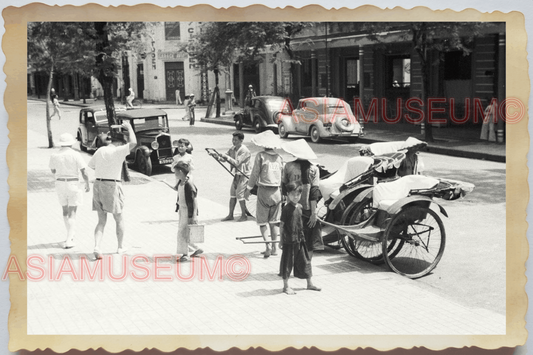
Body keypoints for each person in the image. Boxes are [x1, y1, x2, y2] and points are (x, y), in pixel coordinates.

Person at [88, 122, 137, 260]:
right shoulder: (118, 151)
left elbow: (91, 165)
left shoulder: (100, 150)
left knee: (101, 220)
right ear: (121, 142)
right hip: (113, 185)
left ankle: (97, 246)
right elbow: (134, 142)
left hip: (98, 184)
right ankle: (120, 247)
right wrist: (129, 128)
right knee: (118, 218)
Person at [244, 130, 284, 258]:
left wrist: (248, 189)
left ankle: (267, 245)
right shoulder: (279, 158)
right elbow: (282, 177)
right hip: (277, 192)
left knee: (262, 221)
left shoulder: (260, 156)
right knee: (274, 221)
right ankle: (274, 248)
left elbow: (255, 174)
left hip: (264, 192)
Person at [281, 139, 324, 253]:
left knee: (292, 238)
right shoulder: (314, 169)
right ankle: (306, 262)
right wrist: (314, 213)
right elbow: (314, 193)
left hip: (292, 207)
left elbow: (285, 188)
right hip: (308, 209)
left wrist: (286, 206)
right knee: (308, 242)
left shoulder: (288, 166)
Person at [49, 133, 90, 249]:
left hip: (60, 183)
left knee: (65, 211)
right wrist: (87, 183)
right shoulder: (75, 154)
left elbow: (53, 170)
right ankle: (69, 239)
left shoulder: (54, 155)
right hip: (73, 183)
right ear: (71, 143)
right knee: (73, 212)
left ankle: (70, 235)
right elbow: (84, 171)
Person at [279, 181, 321, 295]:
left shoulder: (300, 207)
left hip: (300, 239)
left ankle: (309, 283)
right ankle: (286, 286)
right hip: (289, 241)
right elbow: (282, 226)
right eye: (293, 194)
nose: (295, 197)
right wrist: (281, 240)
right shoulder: (286, 209)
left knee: (305, 261)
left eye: (298, 194)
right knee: (287, 263)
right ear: (288, 194)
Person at [211, 132, 252, 222]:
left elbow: (237, 162)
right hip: (237, 174)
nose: (234, 142)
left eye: (236, 140)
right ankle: (230, 214)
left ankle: (244, 215)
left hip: (244, 174)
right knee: (232, 193)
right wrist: (217, 156)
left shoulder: (244, 150)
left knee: (239, 194)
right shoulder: (233, 149)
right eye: (233, 140)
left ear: (241, 140)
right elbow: (224, 159)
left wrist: (226, 157)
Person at [172, 161, 202, 262]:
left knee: (182, 232)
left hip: (187, 212)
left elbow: (194, 201)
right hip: (182, 210)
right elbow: (176, 189)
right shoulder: (181, 182)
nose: (175, 174)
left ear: (180, 171)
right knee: (185, 231)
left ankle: (185, 254)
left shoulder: (189, 184)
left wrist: (193, 216)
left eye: (176, 172)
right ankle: (196, 248)